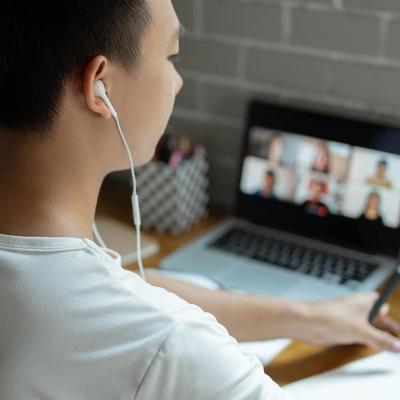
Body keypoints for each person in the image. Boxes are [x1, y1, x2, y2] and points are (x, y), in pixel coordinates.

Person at [0, 1, 399, 399]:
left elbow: (119, 287)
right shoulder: (171, 344)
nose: (178, 82)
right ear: (100, 87)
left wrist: (307, 316)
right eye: (171, 55)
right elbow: (142, 325)